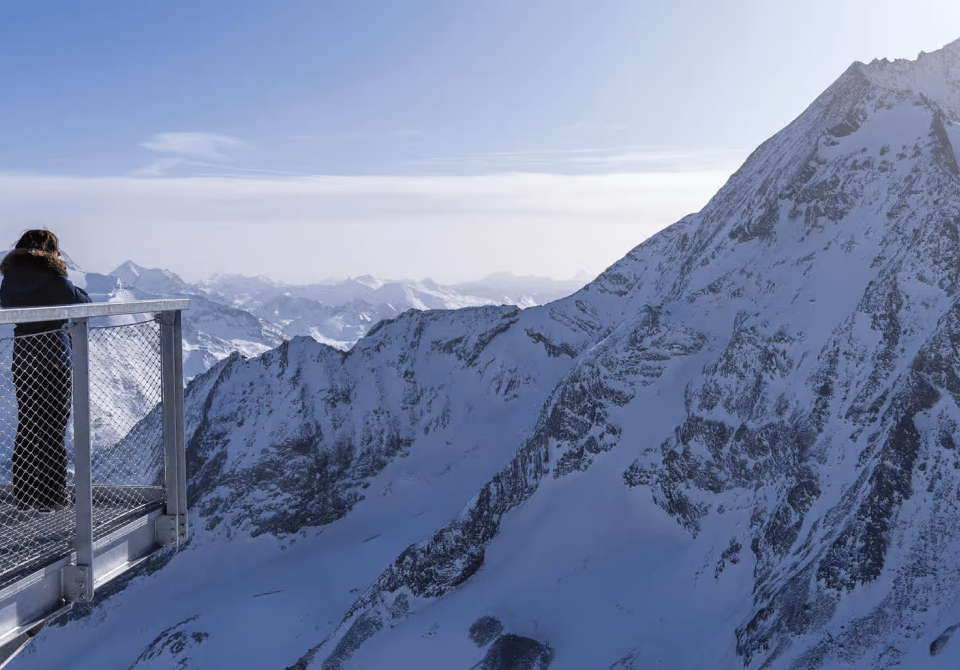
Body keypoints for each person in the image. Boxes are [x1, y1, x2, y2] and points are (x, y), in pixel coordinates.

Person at [0, 229, 91, 512]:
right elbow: (82, 302)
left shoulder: (9, 279)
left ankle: (25, 496)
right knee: (53, 427)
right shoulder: (51, 275)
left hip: (24, 358)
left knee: (28, 424)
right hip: (54, 358)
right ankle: (52, 496)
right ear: (50, 250)